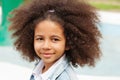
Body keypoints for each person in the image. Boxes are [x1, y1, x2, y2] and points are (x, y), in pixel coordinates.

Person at [8, 0, 102, 80]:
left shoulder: (65, 77)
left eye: (55, 39)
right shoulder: (39, 69)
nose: (46, 46)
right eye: (40, 38)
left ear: (68, 43)